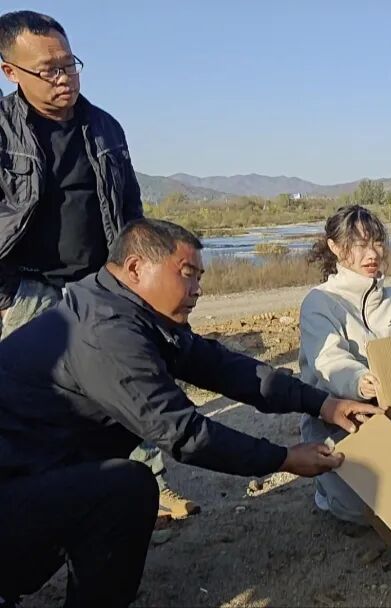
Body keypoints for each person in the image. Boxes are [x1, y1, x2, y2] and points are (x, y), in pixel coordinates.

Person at [0, 219, 382, 607]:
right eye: (187, 274)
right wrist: (284, 458)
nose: (197, 289)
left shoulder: (129, 311)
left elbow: (225, 369)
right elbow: (185, 434)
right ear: (135, 268)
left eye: (199, 277)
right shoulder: (107, 333)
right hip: (11, 489)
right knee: (126, 490)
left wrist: (323, 403)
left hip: (33, 472)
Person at [0, 10, 197, 519]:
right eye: (48, 69)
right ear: (10, 71)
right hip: (29, 288)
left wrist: (139, 272)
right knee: (38, 405)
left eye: (70, 64)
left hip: (102, 281)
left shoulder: (104, 126)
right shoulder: (2, 133)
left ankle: (151, 485)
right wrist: (7, 293)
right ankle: (52, 501)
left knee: (134, 377)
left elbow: (129, 206)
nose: (63, 77)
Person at [298, 205, 391, 523]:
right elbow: (329, 362)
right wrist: (360, 381)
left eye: (377, 243)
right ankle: (327, 488)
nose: (371, 254)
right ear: (334, 247)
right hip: (338, 421)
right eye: (359, 244)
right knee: (361, 512)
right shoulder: (320, 302)